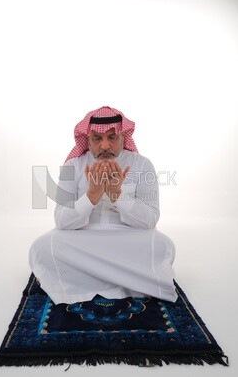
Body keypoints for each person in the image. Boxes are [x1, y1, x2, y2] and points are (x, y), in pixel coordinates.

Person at [29, 106, 178, 304]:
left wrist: (118, 195)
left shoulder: (143, 165)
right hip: (82, 239)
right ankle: (132, 280)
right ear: (88, 140)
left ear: (123, 137)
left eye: (112, 137)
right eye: (97, 139)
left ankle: (81, 277)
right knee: (42, 247)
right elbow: (61, 222)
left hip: (128, 239)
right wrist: (91, 195)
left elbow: (149, 222)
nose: (105, 146)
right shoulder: (72, 166)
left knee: (162, 245)